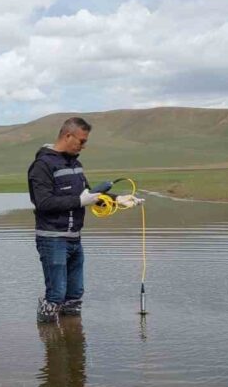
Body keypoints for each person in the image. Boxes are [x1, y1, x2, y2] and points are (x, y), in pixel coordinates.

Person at [27, 117, 142, 323]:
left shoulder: (76, 164)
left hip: (74, 239)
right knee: (56, 294)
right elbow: (43, 202)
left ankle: (73, 343)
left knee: (75, 294)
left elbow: (89, 195)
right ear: (67, 136)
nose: (84, 146)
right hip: (52, 238)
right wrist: (79, 201)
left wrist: (119, 200)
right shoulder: (41, 166)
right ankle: (49, 343)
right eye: (81, 141)